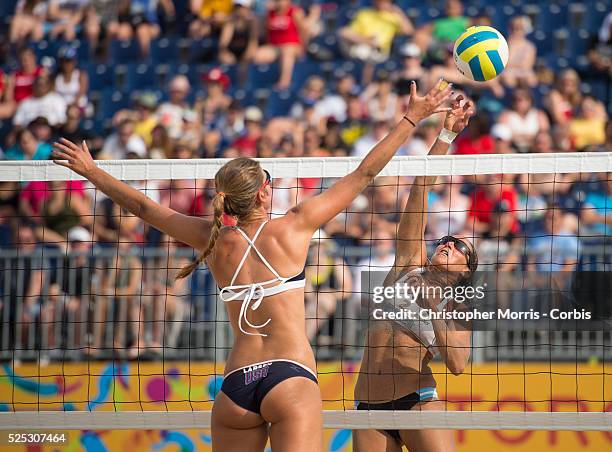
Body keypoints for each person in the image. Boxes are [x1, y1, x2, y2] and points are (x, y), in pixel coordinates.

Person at [51, 81, 453, 452]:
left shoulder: (211, 239)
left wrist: (92, 171)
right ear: (264, 193)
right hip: (289, 376)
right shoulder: (293, 226)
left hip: (235, 387)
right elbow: (365, 172)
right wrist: (411, 118)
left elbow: (143, 208)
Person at [353, 95, 476, 452]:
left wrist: (434, 308)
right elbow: (420, 189)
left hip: (416, 399)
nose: (449, 244)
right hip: (367, 406)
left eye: (460, 248)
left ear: (465, 272)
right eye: (449, 240)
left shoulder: (457, 305)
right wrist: (446, 135)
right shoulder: (409, 264)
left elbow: (457, 365)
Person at [498, 88, 549, 153]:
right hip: (512, 147)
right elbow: (502, 134)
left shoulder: (539, 114)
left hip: (534, 146)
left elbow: (544, 131)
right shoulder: (506, 115)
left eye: (520, 100)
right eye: (514, 99)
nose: (517, 102)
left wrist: (519, 136)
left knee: (543, 139)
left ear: (529, 101)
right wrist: (527, 136)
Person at [501, 16, 538, 88]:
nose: (515, 31)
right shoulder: (504, 44)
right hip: (507, 72)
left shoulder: (529, 46)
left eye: (518, 28)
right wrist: (511, 44)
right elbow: (503, 63)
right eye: (512, 28)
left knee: (530, 79)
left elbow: (526, 65)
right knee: (508, 78)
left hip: (523, 72)